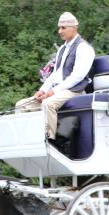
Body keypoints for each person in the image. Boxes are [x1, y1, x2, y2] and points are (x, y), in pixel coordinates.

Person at [15, 12, 95, 141]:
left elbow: (77, 76)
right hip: (59, 91)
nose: (59, 31)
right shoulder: (62, 49)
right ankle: (26, 139)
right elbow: (55, 74)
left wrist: (52, 92)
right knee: (21, 105)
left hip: (75, 91)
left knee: (48, 103)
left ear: (74, 27)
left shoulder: (84, 48)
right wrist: (42, 90)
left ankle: (49, 141)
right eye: (59, 27)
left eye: (63, 27)